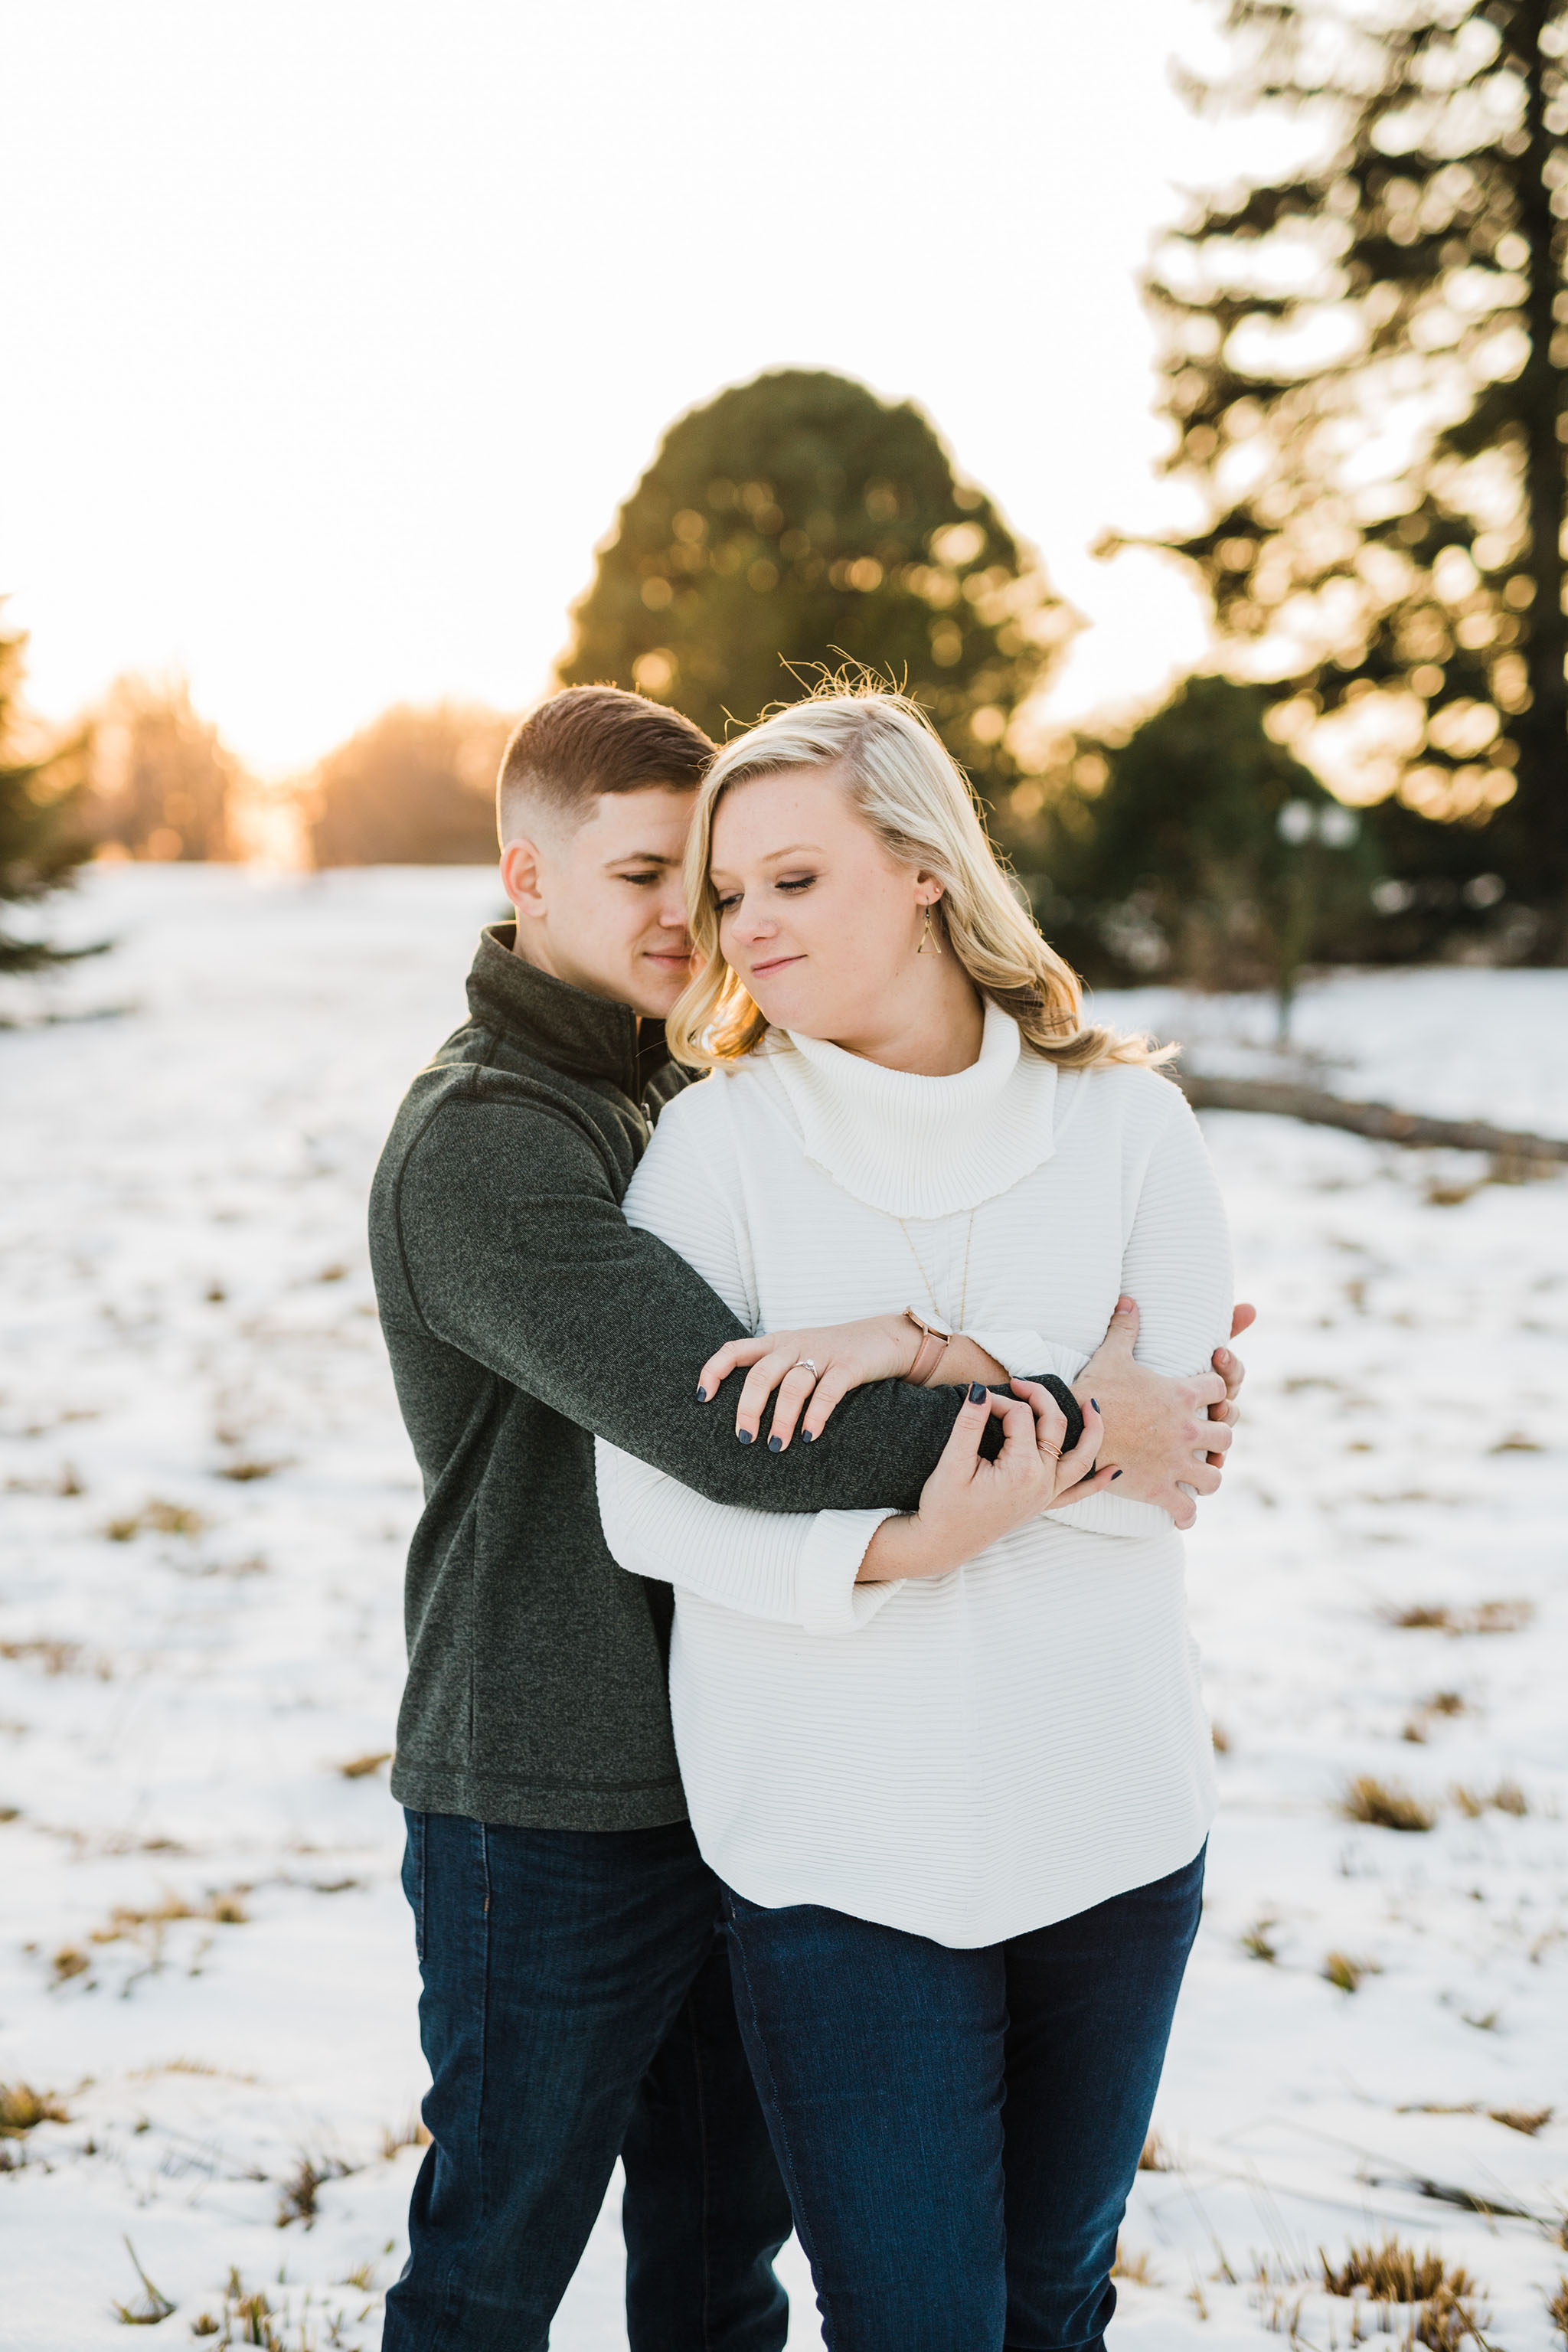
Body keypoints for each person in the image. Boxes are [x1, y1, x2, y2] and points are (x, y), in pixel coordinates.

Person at [368, 684, 1250, 2349]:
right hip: (557, 1788)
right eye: (668, 882)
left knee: (717, 2265)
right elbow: (738, 1445)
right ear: (523, 875)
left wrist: (969, 1361)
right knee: (496, 2256)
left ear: (921, 869)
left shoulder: (659, 1086)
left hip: (738, 1784)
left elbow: (1170, 1466)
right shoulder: (500, 1146)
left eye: (729, 884)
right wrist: (1082, 1416)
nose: (703, 924)